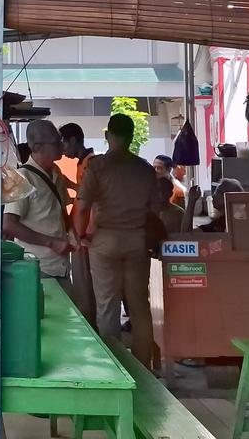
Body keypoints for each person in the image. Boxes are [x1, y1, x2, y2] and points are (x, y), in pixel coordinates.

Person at [74, 114, 158, 368]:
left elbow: (82, 207)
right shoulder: (145, 169)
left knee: (107, 305)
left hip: (105, 241)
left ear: (108, 135)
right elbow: (155, 210)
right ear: (132, 137)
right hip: (137, 241)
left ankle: (113, 368)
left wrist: (80, 236)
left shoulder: (98, 167)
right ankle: (144, 367)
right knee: (139, 307)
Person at [4, 120, 76, 295]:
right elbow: (9, 224)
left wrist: (73, 232)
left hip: (61, 266)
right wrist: (50, 242)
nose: (62, 145)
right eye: (56, 142)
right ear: (37, 147)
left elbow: (61, 212)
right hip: (38, 268)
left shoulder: (56, 172)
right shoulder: (22, 178)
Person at [59, 122, 98, 325]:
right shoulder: (83, 163)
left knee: (86, 285)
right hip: (82, 231)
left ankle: (90, 325)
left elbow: (89, 201)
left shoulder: (91, 163)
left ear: (73, 140)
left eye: (63, 143)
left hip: (86, 233)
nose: (62, 150)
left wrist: (80, 234)